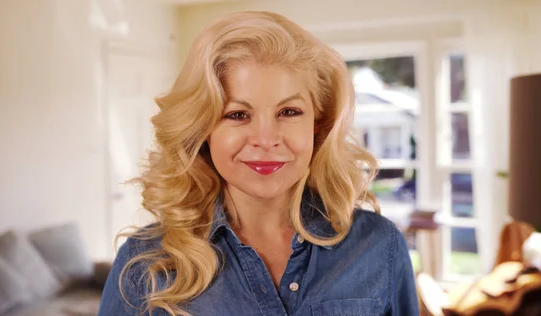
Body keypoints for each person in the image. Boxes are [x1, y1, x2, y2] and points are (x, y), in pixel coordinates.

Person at [99, 11, 419, 316]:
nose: (266, 139)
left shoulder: (379, 247)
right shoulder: (144, 263)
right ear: (203, 130)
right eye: (238, 115)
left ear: (317, 124)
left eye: (288, 112)